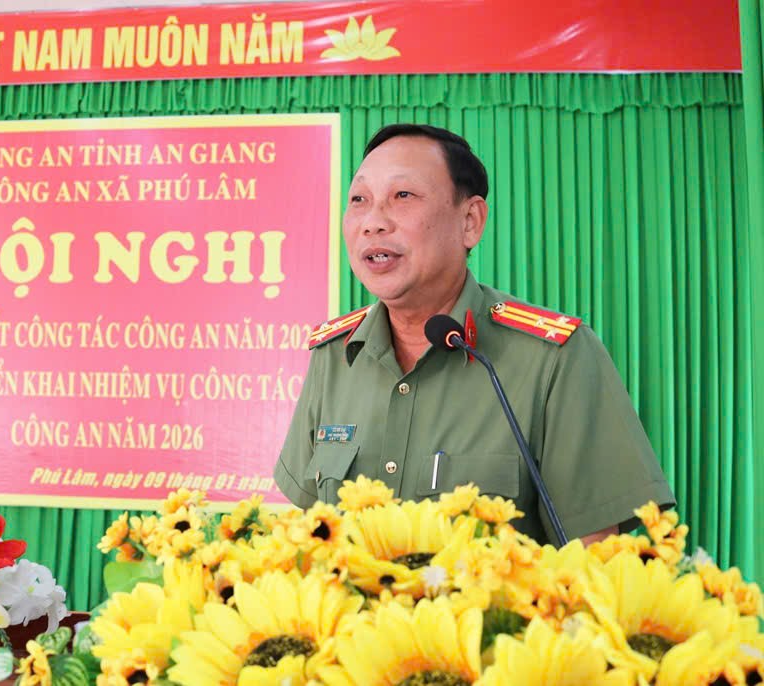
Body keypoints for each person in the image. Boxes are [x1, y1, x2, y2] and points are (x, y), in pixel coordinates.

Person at [273, 123, 674, 546]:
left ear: (470, 221)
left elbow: (595, 559)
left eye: (402, 195)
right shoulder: (334, 356)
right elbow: (310, 542)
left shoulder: (554, 359)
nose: (373, 222)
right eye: (359, 199)